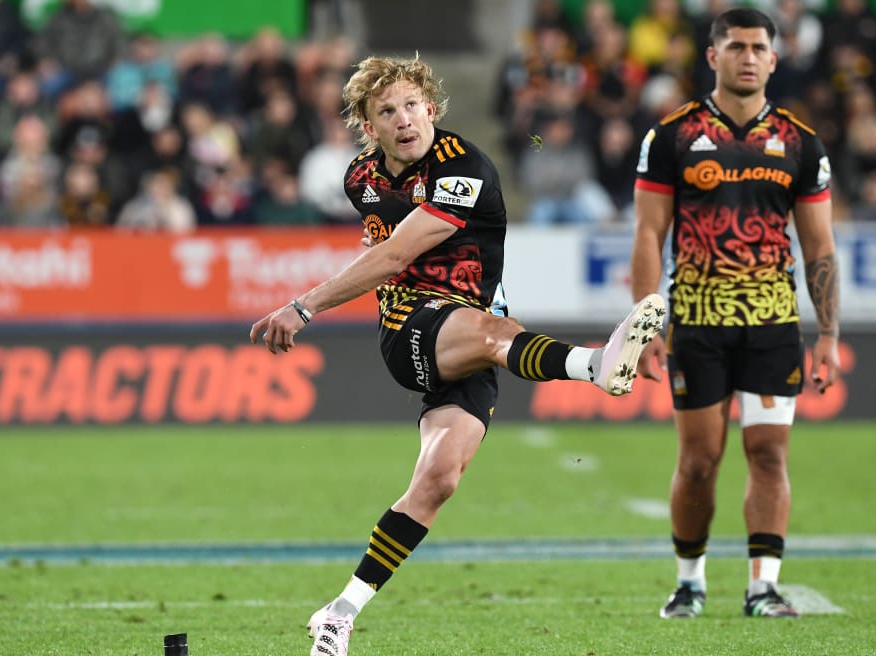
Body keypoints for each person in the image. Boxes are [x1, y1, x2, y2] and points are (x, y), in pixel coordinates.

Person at [249, 54, 666, 656]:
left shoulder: (464, 167)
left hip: (470, 335)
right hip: (409, 326)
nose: (402, 120)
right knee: (498, 332)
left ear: (431, 109)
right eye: (385, 111)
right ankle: (592, 366)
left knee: (437, 482)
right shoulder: (360, 177)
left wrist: (305, 303)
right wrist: (305, 306)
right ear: (368, 126)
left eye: (411, 106)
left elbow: (395, 249)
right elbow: (390, 260)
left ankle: (338, 614)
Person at [630, 8, 841, 619]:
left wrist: (827, 332)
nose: (748, 57)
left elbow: (820, 246)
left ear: (775, 59)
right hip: (697, 321)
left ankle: (762, 587)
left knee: (770, 454)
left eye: (759, 48)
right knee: (699, 459)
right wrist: (648, 326)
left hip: (774, 324)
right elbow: (648, 236)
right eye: (736, 46)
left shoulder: (801, 143)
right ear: (713, 56)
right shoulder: (670, 135)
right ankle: (689, 581)